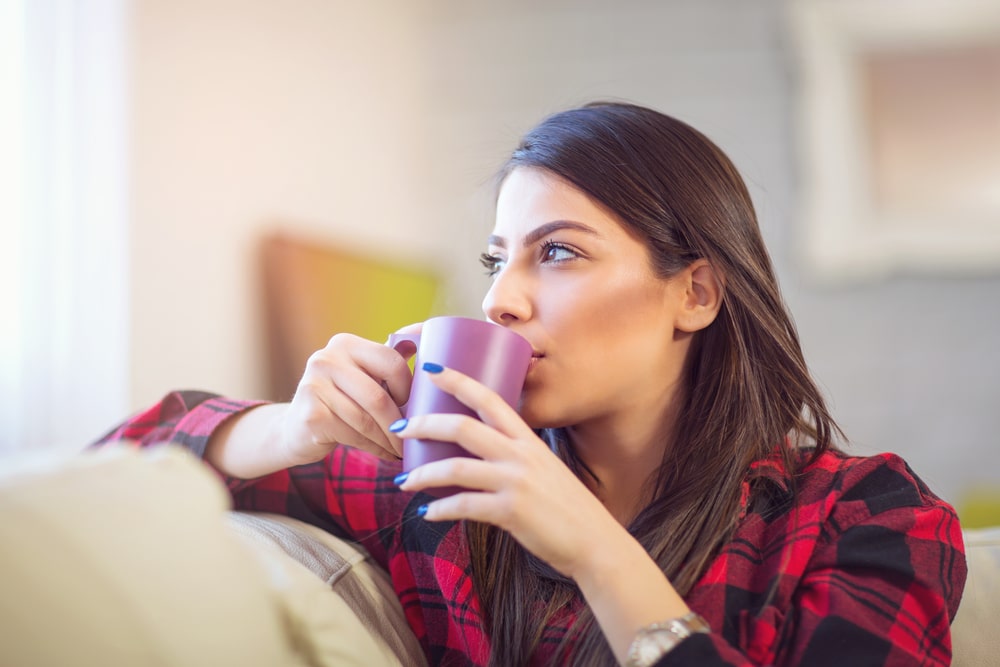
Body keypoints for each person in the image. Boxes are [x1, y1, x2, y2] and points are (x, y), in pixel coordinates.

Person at [97, 102, 966, 666]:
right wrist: (289, 429)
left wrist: (596, 549)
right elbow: (110, 475)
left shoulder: (869, 518)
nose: (498, 299)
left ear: (695, 293)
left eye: (557, 252)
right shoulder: (444, 485)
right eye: (495, 258)